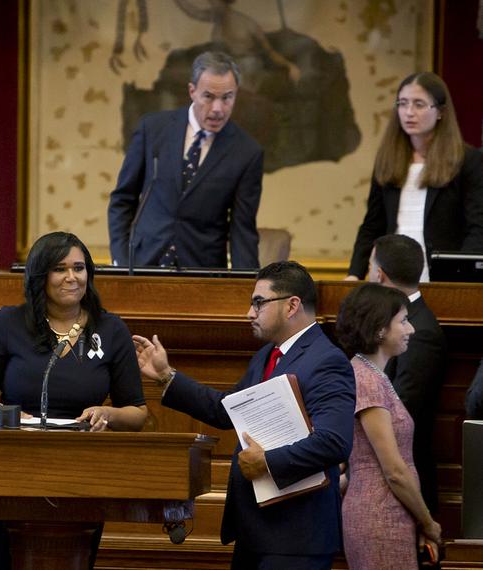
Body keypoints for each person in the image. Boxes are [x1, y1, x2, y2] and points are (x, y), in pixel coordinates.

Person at [133, 261, 355, 569]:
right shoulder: (268, 355)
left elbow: (334, 442)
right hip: (257, 531)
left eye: (259, 303)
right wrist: (166, 376)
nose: (250, 313)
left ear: (292, 306)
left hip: (297, 537)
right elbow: (229, 410)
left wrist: (266, 462)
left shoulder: (327, 361)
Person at [0, 231, 148, 569]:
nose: (71, 277)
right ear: (40, 275)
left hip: (81, 475)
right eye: (60, 269)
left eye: (79, 268)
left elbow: (137, 413)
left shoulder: (111, 330)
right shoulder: (8, 323)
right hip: (10, 469)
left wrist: (109, 413)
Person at [108, 50, 262, 269]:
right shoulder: (153, 129)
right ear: (192, 91)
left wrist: (245, 287)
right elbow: (123, 199)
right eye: (208, 97)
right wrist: (121, 260)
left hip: (202, 271)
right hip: (142, 264)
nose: (218, 109)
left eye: (227, 97)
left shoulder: (247, 152)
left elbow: (242, 229)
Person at [335, 283, 442, 568]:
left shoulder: (371, 375)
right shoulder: (367, 380)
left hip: (386, 512)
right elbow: (394, 470)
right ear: (380, 329)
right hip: (381, 517)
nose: (411, 330)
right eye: (403, 321)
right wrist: (428, 522)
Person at [347, 71, 483, 282]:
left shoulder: (467, 161)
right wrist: (354, 274)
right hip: (392, 280)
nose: (409, 112)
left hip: (444, 281)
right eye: (402, 103)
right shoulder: (387, 159)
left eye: (419, 104)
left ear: (440, 112)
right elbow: (372, 225)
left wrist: (462, 277)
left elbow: (477, 228)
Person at [368, 234, 447, 512]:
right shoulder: (398, 318)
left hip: (406, 486)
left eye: (369, 268)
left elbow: (402, 409)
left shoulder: (420, 330)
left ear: (379, 275)